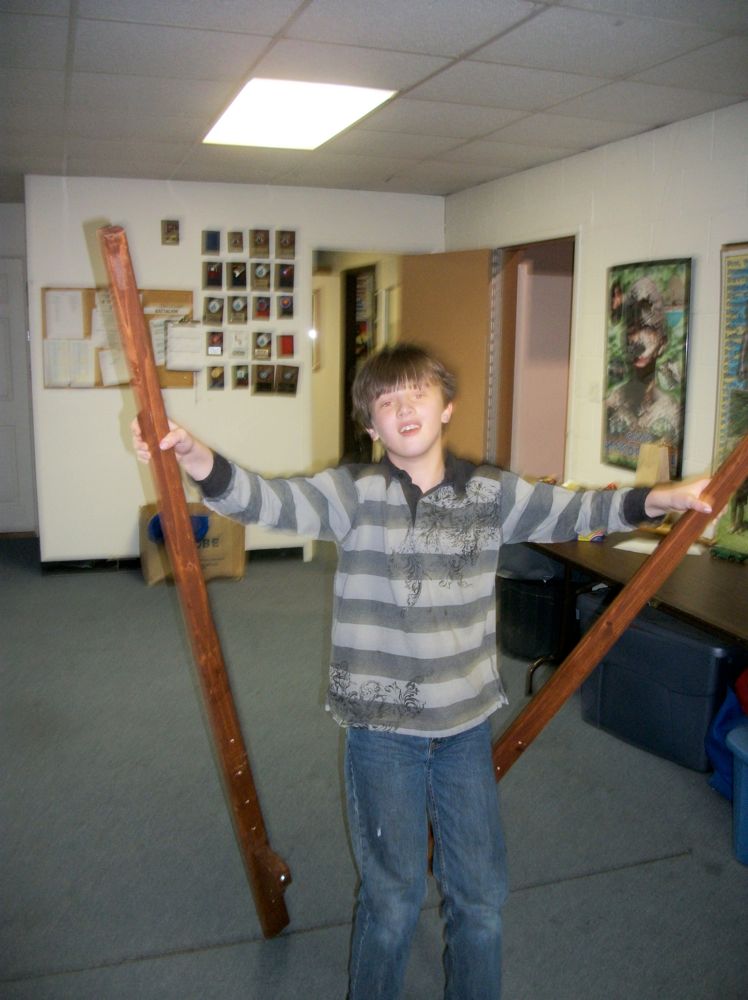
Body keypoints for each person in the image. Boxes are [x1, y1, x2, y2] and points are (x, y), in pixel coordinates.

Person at [132, 343, 712, 1000]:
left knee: (481, 898)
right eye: (387, 401)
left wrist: (662, 498)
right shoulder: (351, 494)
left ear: (446, 407)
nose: (404, 408)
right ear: (372, 426)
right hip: (382, 732)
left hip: (464, 727)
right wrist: (192, 455)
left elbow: (577, 511)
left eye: (417, 393)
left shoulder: (491, 494)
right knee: (393, 898)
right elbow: (264, 501)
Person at [605, 276, 682, 470]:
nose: (637, 341)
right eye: (632, 329)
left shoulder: (672, 412)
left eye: (647, 328)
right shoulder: (612, 403)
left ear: (662, 343)